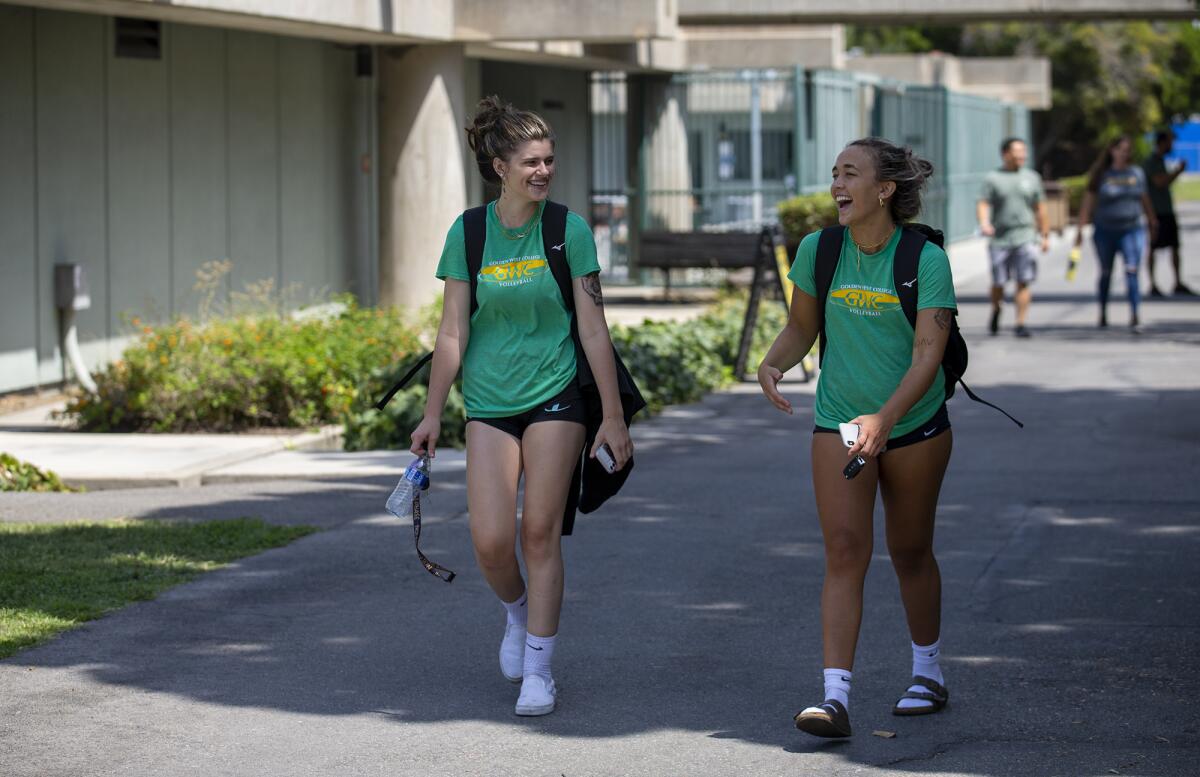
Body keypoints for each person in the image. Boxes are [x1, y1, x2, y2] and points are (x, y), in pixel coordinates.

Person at [409, 96, 633, 717]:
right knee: (488, 542)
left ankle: (540, 667)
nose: (544, 170)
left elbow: (594, 330)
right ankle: (515, 613)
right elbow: (451, 332)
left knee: (539, 530)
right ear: (500, 166)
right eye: (531, 161)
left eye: (550, 160)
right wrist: (432, 414)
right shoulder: (469, 232)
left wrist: (611, 416)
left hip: (557, 395)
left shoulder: (568, 229)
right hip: (487, 401)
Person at [758, 137, 956, 738]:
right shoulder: (820, 249)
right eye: (835, 174)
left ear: (885, 190)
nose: (837, 185)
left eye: (851, 174)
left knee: (910, 549)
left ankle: (928, 674)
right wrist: (773, 363)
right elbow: (801, 326)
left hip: (915, 424)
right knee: (844, 551)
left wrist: (886, 418)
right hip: (839, 420)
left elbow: (928, 356)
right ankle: (834, 698)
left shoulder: (923, 259)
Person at [1074, 136, 1158, 333]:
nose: (1125, 153)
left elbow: (1144, 199)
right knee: (1105, 272)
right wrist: (1080, 229)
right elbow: (1087, 203)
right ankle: (1103, 312)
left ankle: (1135, 314)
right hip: (1105, 230)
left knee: (1132, 270)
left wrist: (1152, 221)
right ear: (1112, 150)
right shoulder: (1101, 174)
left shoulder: (1136, 173)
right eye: (1121, 149)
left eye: (1128, 150)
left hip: (1132, 228)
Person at [977, 137, 1049, 338]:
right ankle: (997, 308)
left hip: (1025, 235)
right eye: (1017, 152)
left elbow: (1040, 208)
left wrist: (1045, 235)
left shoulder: (1032, 177)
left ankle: (1020, 322)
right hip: (1000, 238)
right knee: (998, 282)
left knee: (1024, 280)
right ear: (1005, 154)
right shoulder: (993, 178)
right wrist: (985, 223)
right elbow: (983, 203)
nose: (1021, 156)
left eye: (1023, 152)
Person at [1143, 129, 1194, 297]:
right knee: (1153, 247)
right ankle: (1153, 284)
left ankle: (1177, 282)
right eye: (1170, 142)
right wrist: (1178, 171)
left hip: (1167, 210)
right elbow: (1159, 182)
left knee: (1174, 246)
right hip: (1156, 212)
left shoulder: (1161, 160)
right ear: (1162, 142)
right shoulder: (1152, 161)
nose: (1172, 145)